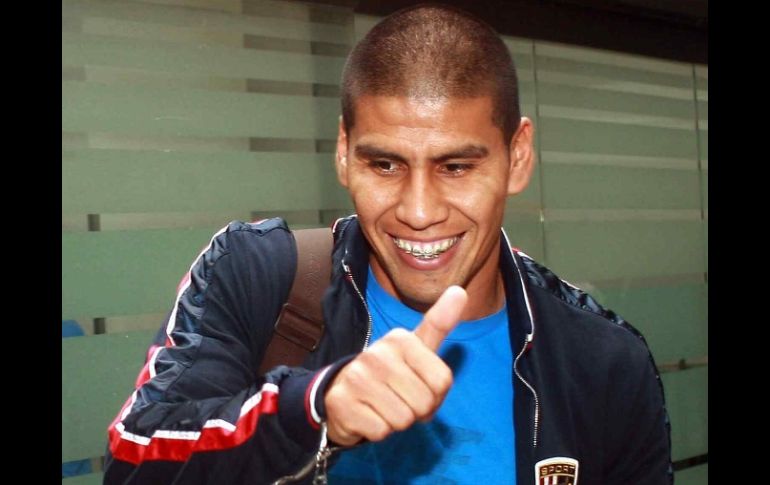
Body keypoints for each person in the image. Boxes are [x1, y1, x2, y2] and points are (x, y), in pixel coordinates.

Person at [103, 4, 672, 484]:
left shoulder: (602, 360)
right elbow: (131, 461)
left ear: (517, 157)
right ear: (344, 151)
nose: (418, 212)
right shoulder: (259, 276)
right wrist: (312, 409)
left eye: (456, 167)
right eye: (384, 164)